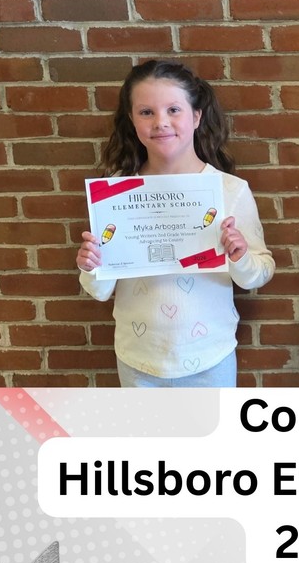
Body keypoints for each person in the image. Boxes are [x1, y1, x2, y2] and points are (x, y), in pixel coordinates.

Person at [76, 60, 274, 387]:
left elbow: (261, 273)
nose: (161, 122)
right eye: (146, 112)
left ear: (196, 116)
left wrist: (239, 256)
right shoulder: (116, 192)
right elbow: (99, 291)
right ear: (132, 120)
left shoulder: (229, 190)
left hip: (211, 354)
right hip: (139, 357)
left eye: (173, 110)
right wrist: (91, 265)